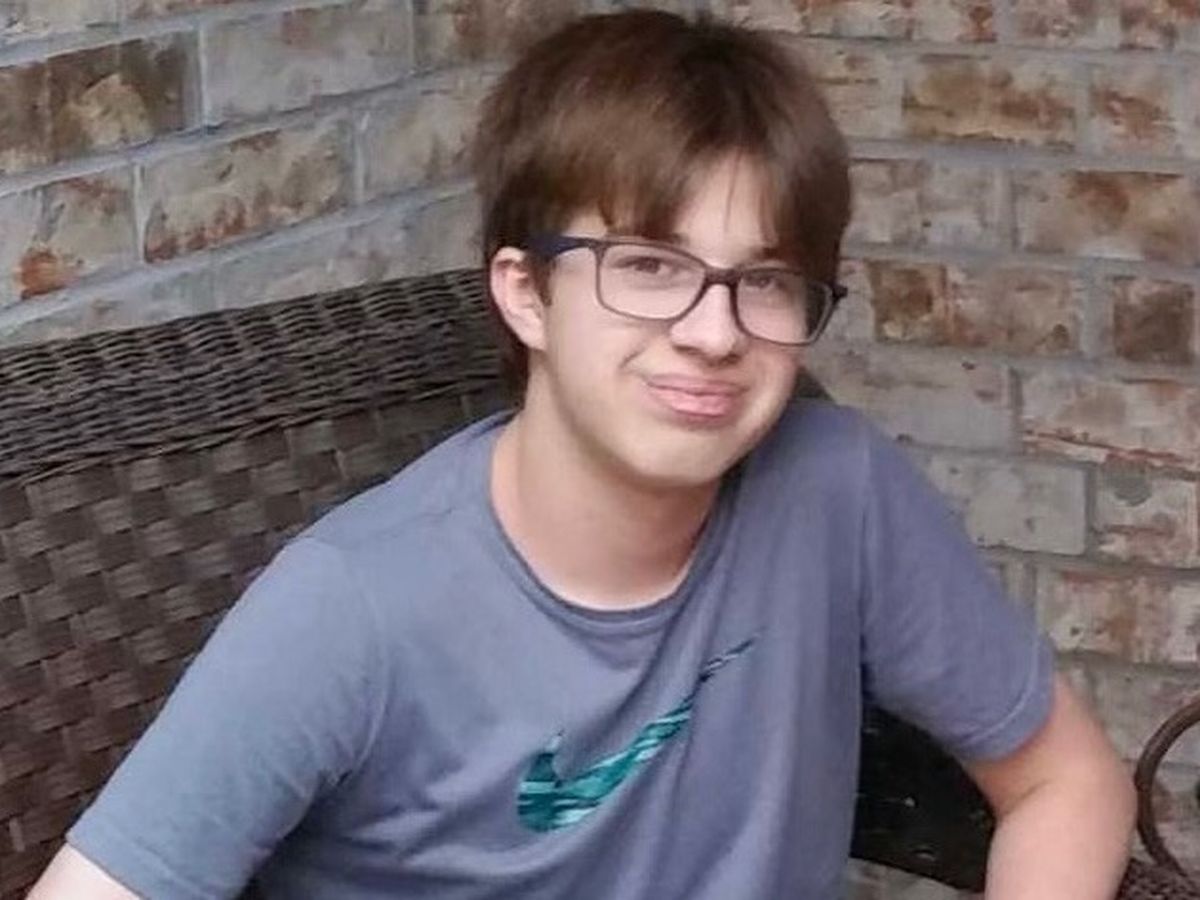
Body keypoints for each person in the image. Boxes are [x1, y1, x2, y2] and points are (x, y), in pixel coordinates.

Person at [30, 10, 1135, 900]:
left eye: (764, 281)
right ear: (527, 295)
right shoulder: (350, 607)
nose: (714, 333)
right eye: (649, 265)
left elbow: (1064, 780)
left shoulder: (834, 490)